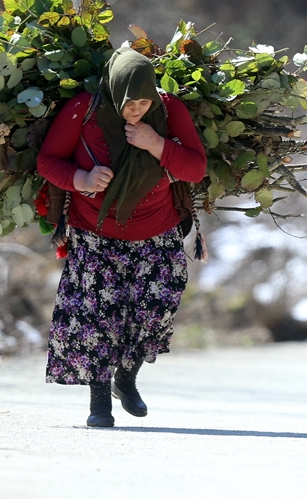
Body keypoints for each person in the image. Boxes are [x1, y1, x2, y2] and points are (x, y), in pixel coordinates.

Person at [37, 46, 206, 427]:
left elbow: (195, 168)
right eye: (130, 102)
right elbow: (48, 161)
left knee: (155, 309)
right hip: (95, 233)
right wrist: (80, 180)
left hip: (157, 231)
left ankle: (126, 377)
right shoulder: (84, 110)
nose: (137, 109)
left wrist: (155, 143)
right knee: (98, 315)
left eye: (145, 101)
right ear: (113, 90)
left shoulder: (168, 110)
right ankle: (99, 401)